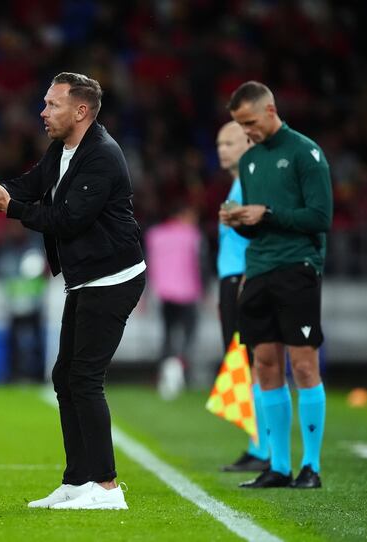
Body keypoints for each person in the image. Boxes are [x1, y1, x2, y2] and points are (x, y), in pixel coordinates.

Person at [0, 72, 145, 510]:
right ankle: (77, 480)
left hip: (113, 278)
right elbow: (28, 186)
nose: (43, 112)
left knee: (83, 379)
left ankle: (105, 488)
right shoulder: (64, 151)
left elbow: (67, 219)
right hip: (87, 278)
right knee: (65, 376)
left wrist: (10, 209)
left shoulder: (101, 155)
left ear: (80, 111)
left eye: (52, 104)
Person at [220, 81, 332, 489]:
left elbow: (320, 218)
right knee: (265, 364)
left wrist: (265, 212)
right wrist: (241, 220)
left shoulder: (306, 153)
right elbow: (259, 226)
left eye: (249, 122)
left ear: (270, 110)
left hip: (296, 269)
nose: (245, 131)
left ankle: (312, 467)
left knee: (303, 364)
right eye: (239, 124)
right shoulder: (250, 163)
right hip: (260, 268)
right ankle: (279, 466)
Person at [215, 121, 271, 472]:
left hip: (242, 279)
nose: (222, 148)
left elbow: (259, 233)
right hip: (231, 278)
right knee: (242, 365)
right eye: (219, 142)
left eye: (230, 142)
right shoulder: (239, 183)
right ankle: (258, 444)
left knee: (252, 364)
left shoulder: (252, 181)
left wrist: (248, 277)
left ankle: (263, 449)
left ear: (248, 142)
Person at [145, 203, 203, 396]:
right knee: (188, 336)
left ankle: (165, 374)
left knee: (168, 334)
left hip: (164, 293)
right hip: (188, 292)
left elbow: (147, 264)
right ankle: (181, 372)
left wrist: (145, 295)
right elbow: (201, 265)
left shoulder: (155, 235)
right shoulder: (192, 235)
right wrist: (206, 292)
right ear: (182, 215)